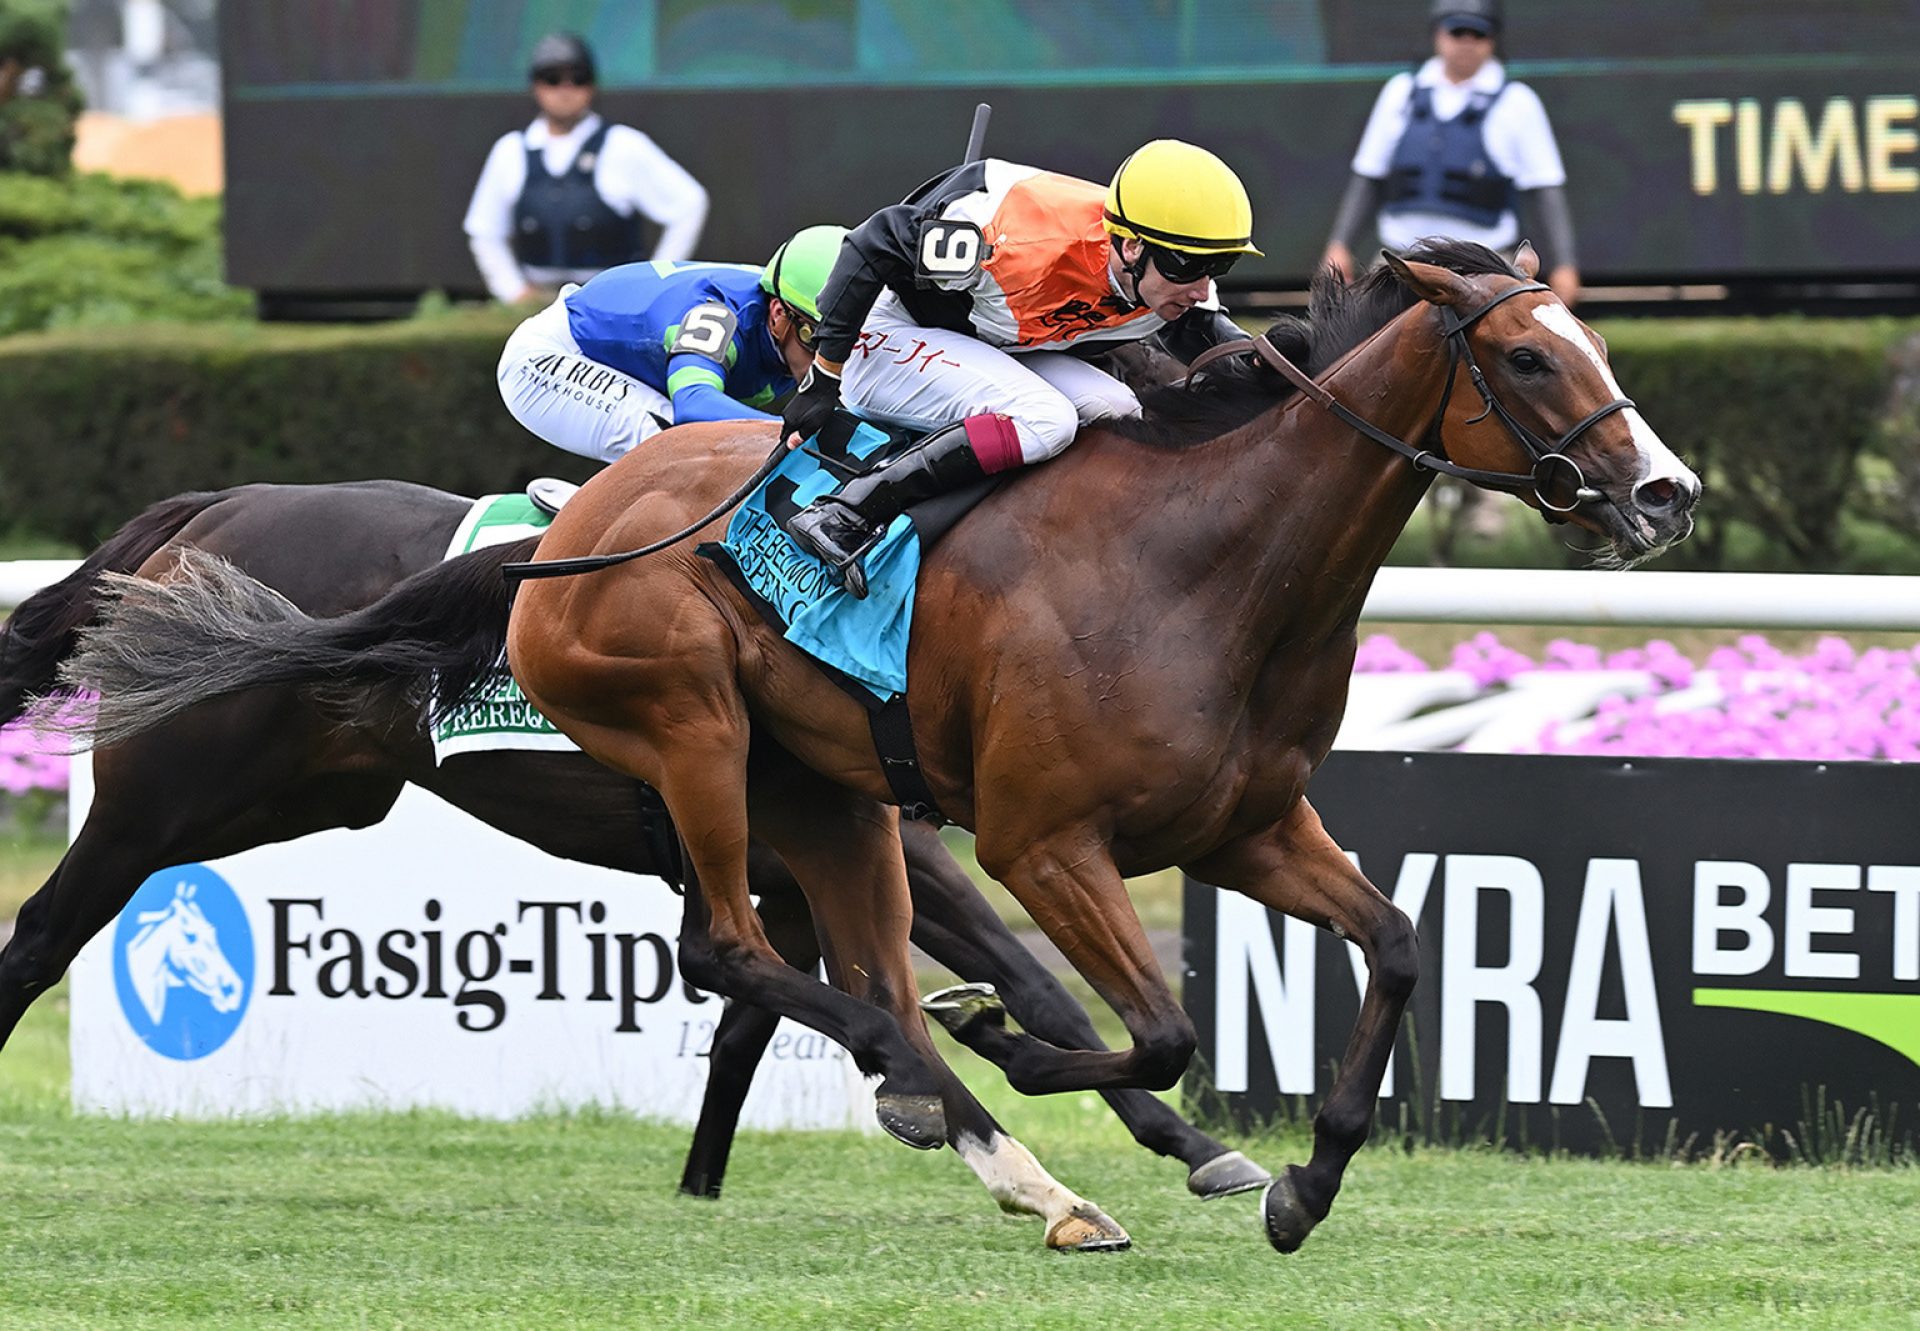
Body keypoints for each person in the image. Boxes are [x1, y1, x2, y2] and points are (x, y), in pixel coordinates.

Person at [779, 139, 1260, 596]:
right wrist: (825, 377)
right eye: (1190, 266)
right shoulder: (1011, 240)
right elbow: (871, 243)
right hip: (889, 333)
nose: (1201, 288)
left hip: (988, 345)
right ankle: (848, 513)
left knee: (1118, 411)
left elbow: (1209, 336)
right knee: (1046, 418)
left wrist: (1268, 368)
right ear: (1132, 247)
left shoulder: (1165, 268)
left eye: (1219, 267)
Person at [497, 225, 846, 466]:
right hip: (550, 358)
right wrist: (789, 432)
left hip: (626, 366)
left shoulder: (794, 302)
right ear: (777, 314)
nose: (831, 360)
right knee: (675, 440)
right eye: (816, 340)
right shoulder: (719, 314)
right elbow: (693, 405)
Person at [1321, 0, 1580, 306]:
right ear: (1438, 34)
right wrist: (1338, 244)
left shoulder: (1518, 103)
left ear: (1492, 40)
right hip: (1402, 261)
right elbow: (1369, 176)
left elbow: (1544, 190)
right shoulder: (1400, 93)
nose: (1466, 43)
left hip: (1484, 267)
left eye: (1478, 34)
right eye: (1457, 32)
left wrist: (1565, 264)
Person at [463, 32, 709, 307]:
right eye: (552, 78)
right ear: (536, 86)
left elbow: (690, 203)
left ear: (592, 85)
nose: (565, 89)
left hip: (613, 304)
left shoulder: (624, 145)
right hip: (536, 308)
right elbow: (484, 229)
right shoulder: (510, 150)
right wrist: (513, 291)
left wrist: (654, 283)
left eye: (578, 78)